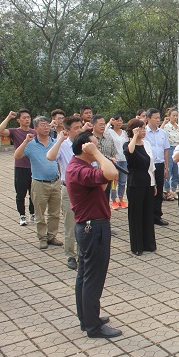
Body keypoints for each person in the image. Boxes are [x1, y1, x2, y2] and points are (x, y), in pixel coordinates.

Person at [66, 132, 121, 338]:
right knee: (93, 278)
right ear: (85, 148)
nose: (98, 149)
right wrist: (99, 155)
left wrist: (100, 162)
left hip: (90, 225)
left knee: (85, 275)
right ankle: (93, 326)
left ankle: (87, 318)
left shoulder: (81, 167)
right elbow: (112, 174)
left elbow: (104, 181)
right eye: (95, 146)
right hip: (93, 227)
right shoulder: (79, 170)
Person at [15, 116, 62, 250]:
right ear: (35, 128)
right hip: (39, 183)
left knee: (55, 213)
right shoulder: (31, 144)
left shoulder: (55, 142)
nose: (46, 127)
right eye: (42, 125)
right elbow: (17, 156)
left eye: (47, 124)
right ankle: (42, 238)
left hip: (55, 181)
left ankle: (52, 236)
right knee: (40, 213)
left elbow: (59, 161)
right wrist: (25, 141)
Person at [46, 116, 83, 270]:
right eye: (76, 128)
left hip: (85, 189)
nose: (80, 130)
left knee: (85, 223)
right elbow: (50, 157)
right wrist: (60, 139)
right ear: (67, 130)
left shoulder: (86, 144)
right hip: (69, 189)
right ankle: (70, 254)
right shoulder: (63, 144)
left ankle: (83, 253)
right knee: (70, 223)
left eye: (80, 127)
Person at [124, 119, 157, 255]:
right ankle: (137, 246)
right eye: (141, 128)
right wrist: (135, 137)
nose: (144, 131)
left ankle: (148, 244)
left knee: (148, 214)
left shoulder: (147, 144)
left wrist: (154, 183)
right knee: (136, 215)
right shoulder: (128, 144)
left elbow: (151, 166)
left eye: (144, 128)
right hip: (135, 183)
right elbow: (130, 152)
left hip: (148, 182)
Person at [0, 109, 35, 226]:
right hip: (21, 166)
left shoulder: (34, 132)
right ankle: (22, 215)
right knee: (20, 193)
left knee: (33, 193)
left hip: (34, 166)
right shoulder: (15, 132)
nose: (27, 119)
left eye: (28, 117)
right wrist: (9, 117)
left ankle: (33, 213)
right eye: (24, 117)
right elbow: (0, 131)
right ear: (18, 120)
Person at [143, 109, 170, 226]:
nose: (158, 120)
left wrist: (166, 167)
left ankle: (157, 216)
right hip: (148, 166)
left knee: (159, 192)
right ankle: (147, 215)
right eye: (155, 118)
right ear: (148, 119)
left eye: (159, 117)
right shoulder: (144, 133)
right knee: (149, 191)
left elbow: (166, 150)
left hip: (159, 165)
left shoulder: (162, 133)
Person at [108, 115, 129, 210]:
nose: (119, 122)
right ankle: (113, 200)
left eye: (121, 120)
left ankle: (121, 199)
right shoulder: (110, 132)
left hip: (124, 159)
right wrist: (109, 123)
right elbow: (104, 132)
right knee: (114, 180)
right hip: (115, 159)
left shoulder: (124, 133)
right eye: (117, 120)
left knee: (123, 181)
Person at [161, 108, 179, 201]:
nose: (175, 117)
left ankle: (174, 190)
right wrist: (164, 123)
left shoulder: (178, 127)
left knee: (176, 171)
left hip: (178, 148)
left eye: (176, 115)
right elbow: (160, 133)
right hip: (169, 148)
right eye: (173, 115)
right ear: (169, 116)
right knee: (168, 170)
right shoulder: (166, 127)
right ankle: (167, 190)